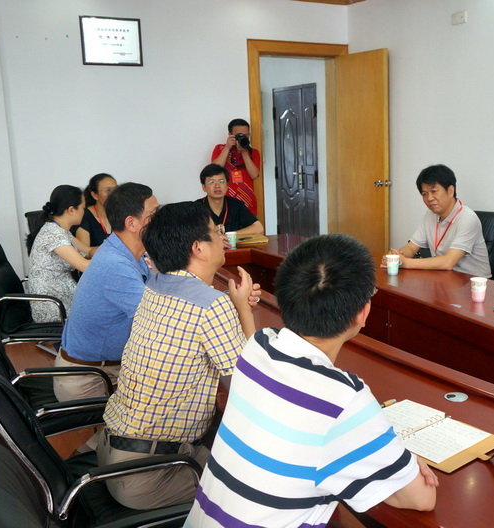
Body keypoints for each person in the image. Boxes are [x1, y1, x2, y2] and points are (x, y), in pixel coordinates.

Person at [186, 233, 438, 528]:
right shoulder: (344, 401)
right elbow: (422, 499)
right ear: (363, 313)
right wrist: (403, 461)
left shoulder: (257, 347)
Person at [97, 201, 257, 510]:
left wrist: (233, 303)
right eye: (217, 231)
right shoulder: (212, 306)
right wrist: (244, 312)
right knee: (260, 483)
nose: (221, 236)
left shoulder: (155, 284)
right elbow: (250, 387)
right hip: (152, 474)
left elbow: (190, 314)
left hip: (114, 457)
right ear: (198, 247)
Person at [54, 183, 159, 403]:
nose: (161, 220)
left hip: (109, 368)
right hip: (90, 379)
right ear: (131, 223)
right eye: (154, 214)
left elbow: (156, 295)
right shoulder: (116, 265)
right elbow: (157, 320)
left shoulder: (127, 252)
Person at [384, 164, 491, 277]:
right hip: (445, 277)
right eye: (424, 194)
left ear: (450, 191)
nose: (429, 198)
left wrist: (406, 263)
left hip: (474, 282)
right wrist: (396, 257)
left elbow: (448, 262)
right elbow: (411, 247)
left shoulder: (467, 219)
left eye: (434, 191)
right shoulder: (430, 215)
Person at [25, 185, 93, 322]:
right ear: (71, 210)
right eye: (83, 208)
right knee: (103, 310)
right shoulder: (53, 234)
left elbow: (88, 251)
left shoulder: (61, 231)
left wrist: (115, 248)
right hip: (52, 305)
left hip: (63, 295)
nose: (84, 212)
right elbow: (84, 265)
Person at [210, 118, 261, 215]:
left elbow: (254, 175)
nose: (243, 138)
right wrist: (227, 147)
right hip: (225, 202)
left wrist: (244, 152)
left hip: (247, 202)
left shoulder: (253, 153)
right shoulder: (220, 149)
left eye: (246, 135)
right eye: (239, 135)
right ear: (230, 135)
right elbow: (215, 170)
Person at [196, 163, 264, 236]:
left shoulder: (236, 205)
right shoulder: (196, 208)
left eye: (221, 181)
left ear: (227, 185)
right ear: (204, 187)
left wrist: (228, 235)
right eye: (211, 182)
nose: (217, 186)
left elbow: (259, 229)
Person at [74, 173, 118, 249]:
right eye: (108, 190)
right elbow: (84, 252)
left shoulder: (121, 214)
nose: (114, 194)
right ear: (95, 195)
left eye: (116, 190)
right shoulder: (84, 216)